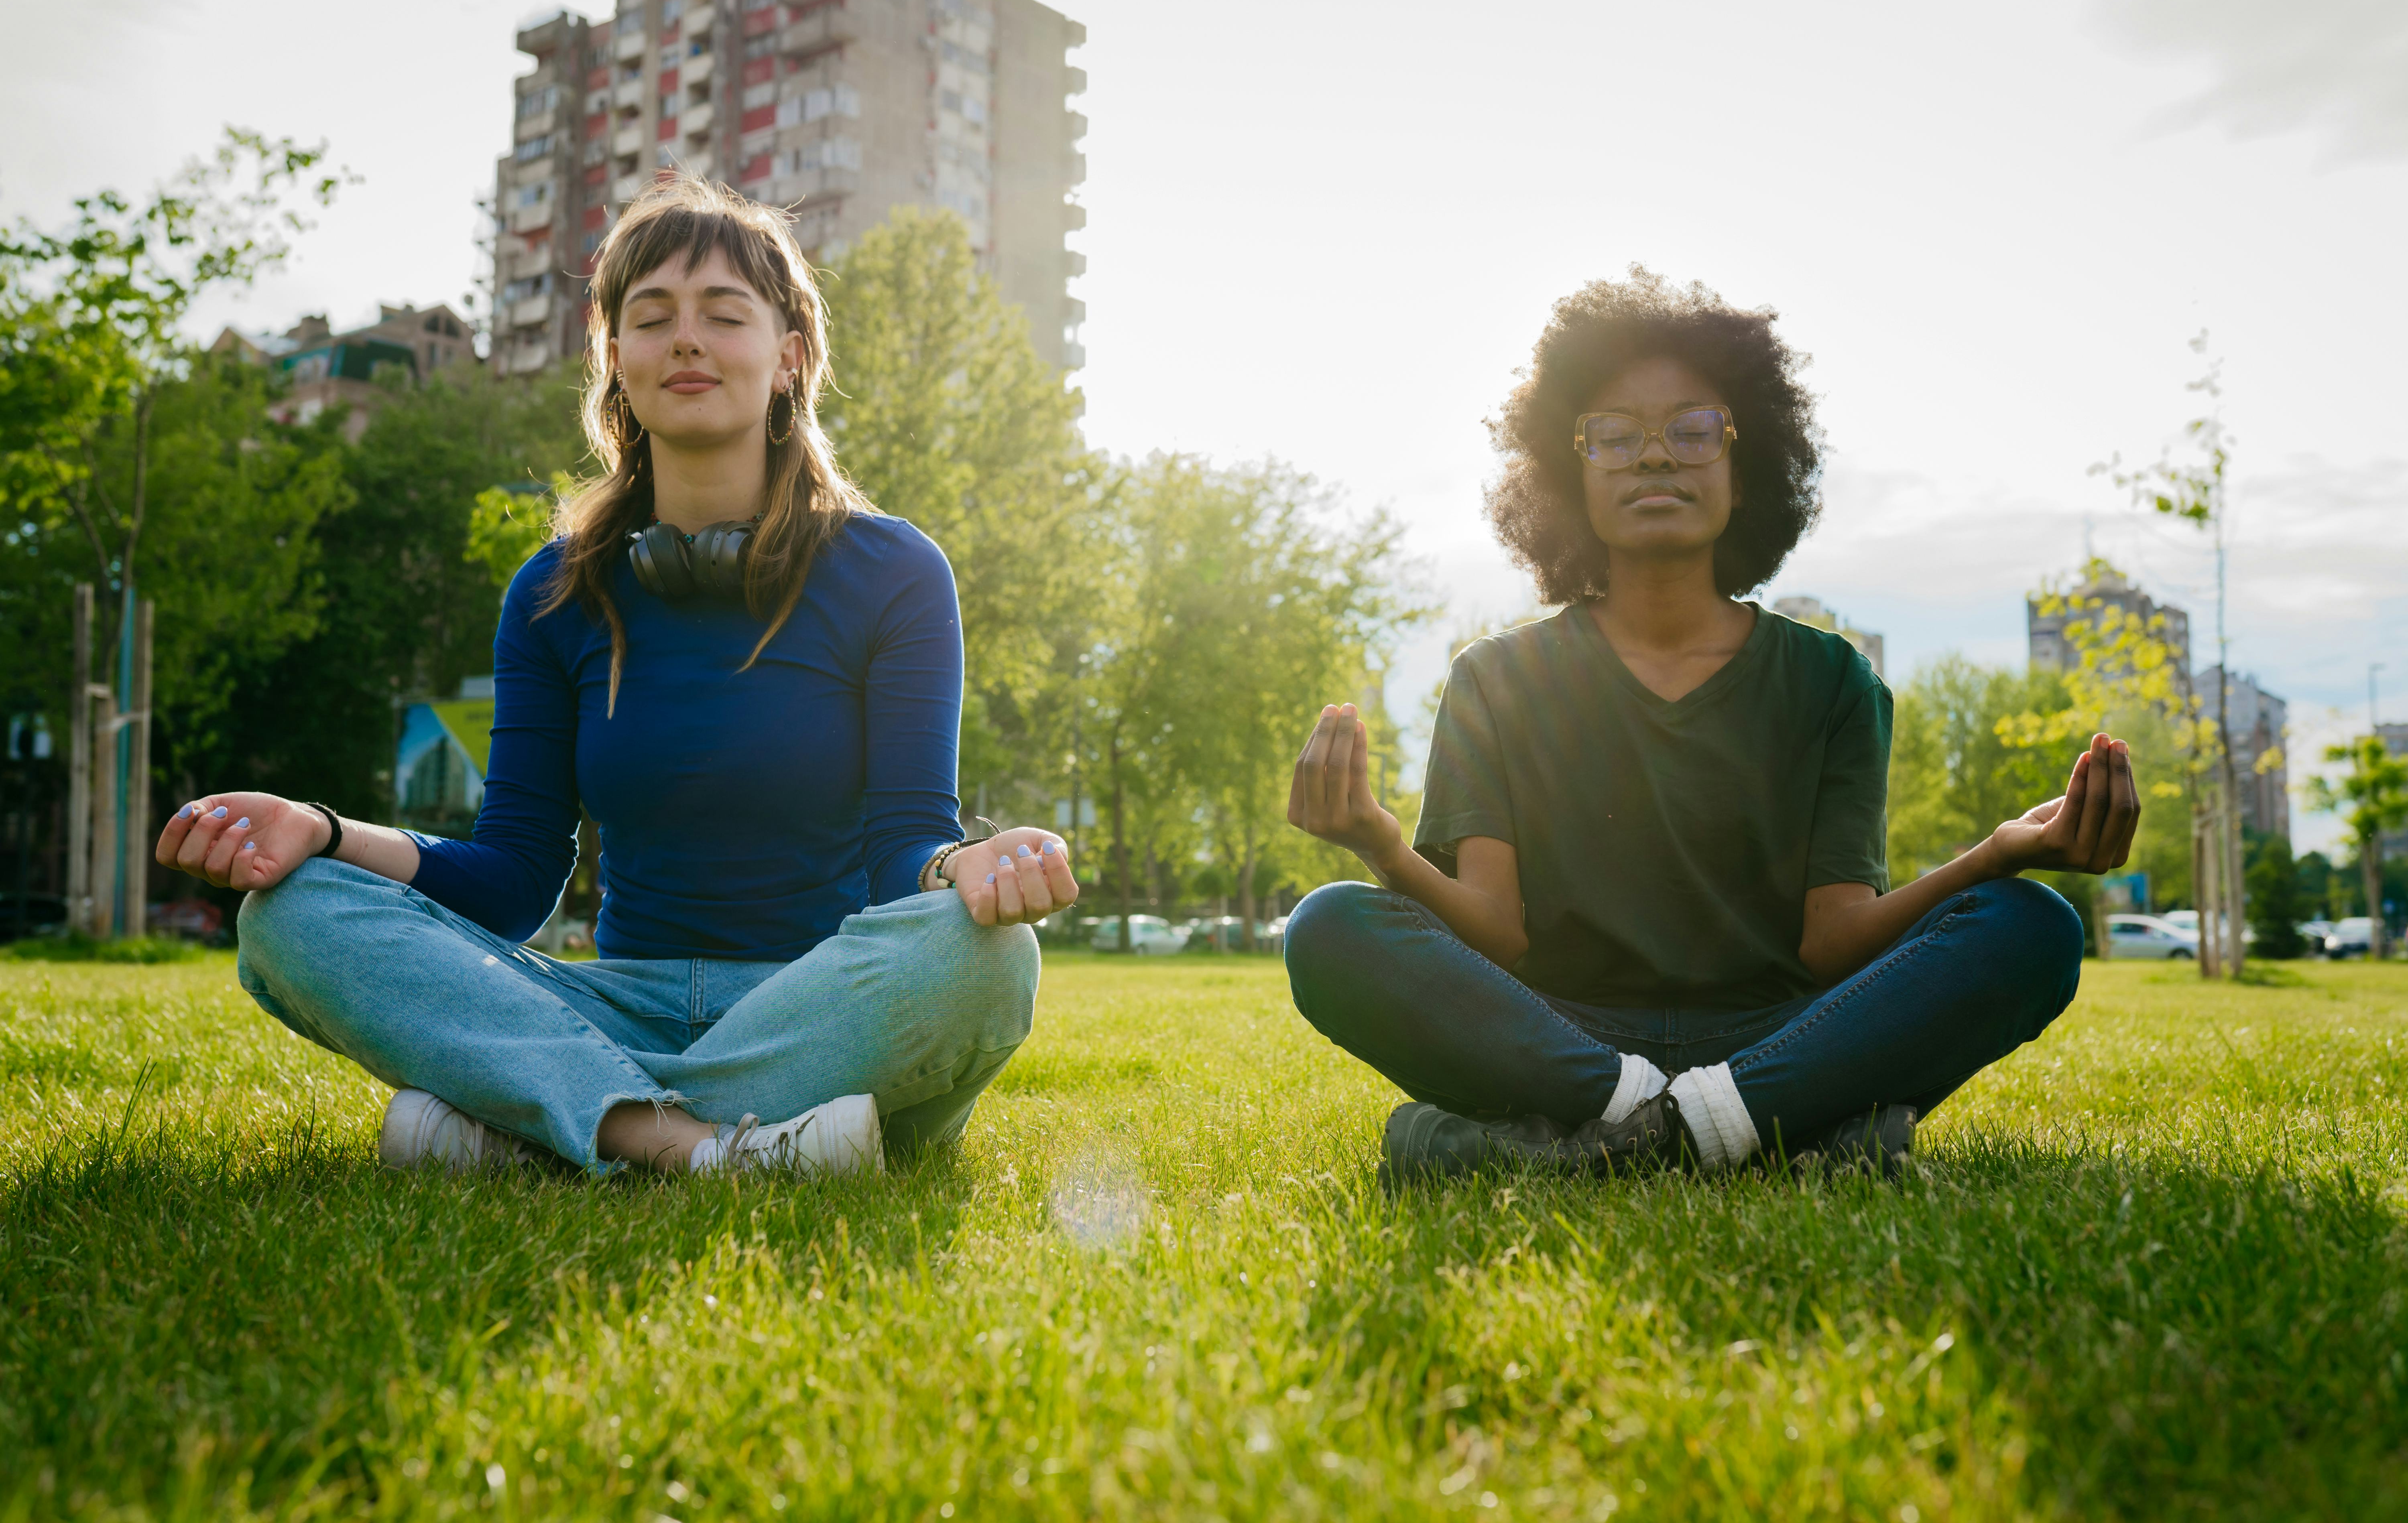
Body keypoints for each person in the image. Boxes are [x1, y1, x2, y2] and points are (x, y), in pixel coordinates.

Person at [155, 175, 1077, 1178]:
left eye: (725, 315)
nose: (687, 340)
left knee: (987, 956)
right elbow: (513, 877)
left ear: (790, 358)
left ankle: (543, 1119)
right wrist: (323, 832)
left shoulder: (895, 572)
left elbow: (906, 839)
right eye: (653, 318)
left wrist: (967, 868)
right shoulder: (551, 591)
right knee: (292, 912)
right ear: (616, 362)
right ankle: (705, 1147)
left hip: (820, 1001)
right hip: (614, 995)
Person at [1282, 271, 2138, 1184]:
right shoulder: (1496, 678)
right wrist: (1378, 842)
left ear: (1748, 463)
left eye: (1694, 430)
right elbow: (1497, 936)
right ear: (1569, 472)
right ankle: (1765, 1132)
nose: (1656, 457)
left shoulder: (1833, 679)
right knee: (1329, 927)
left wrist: (1997, 853)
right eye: (1614, 436)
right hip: (1560, 1035)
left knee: (2033, 927)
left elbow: (1833, 941)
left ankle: (1604, 1138)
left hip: (1780, 1035)